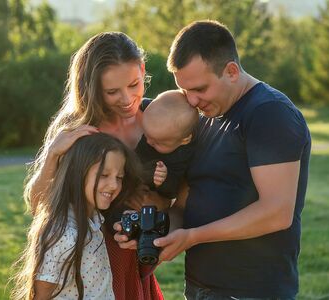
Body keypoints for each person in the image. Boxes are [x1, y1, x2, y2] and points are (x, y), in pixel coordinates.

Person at [118, 20, 312, 299]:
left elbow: (277, 212)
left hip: (251, 290)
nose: (193, 101)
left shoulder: (269, 113)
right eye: (185, 91)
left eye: (200, 89)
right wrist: (156, 236)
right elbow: (184, 204)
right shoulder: (205, 118)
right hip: (200, 286)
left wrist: (194, 237)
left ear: (231, 71)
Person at [23, 32, 165, 300]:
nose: (127, 99)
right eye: (112, 92)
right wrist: (53, 153)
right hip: (93, 259)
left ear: (143, 70)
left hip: (138, 255)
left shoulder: (159, 119)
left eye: (134, 84)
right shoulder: (79, 130)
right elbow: (37, 204)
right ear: (92, 88)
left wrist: (153, 207)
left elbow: (179, 195)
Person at [12, 133, 141, 300]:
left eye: (119, 177)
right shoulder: (64, 234)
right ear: (78, 173)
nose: (114, 185)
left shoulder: (94, 218)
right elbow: (41, 295)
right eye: (104, 175)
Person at [136, 89, 199, 199]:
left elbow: (174, 189)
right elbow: (137, 104)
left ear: (184, 140)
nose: (148, 142)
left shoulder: (183, 156)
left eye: (157, 142)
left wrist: (164, 179)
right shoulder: (152, 109)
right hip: (135, 160)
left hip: (151, 183)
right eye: (146, 134)